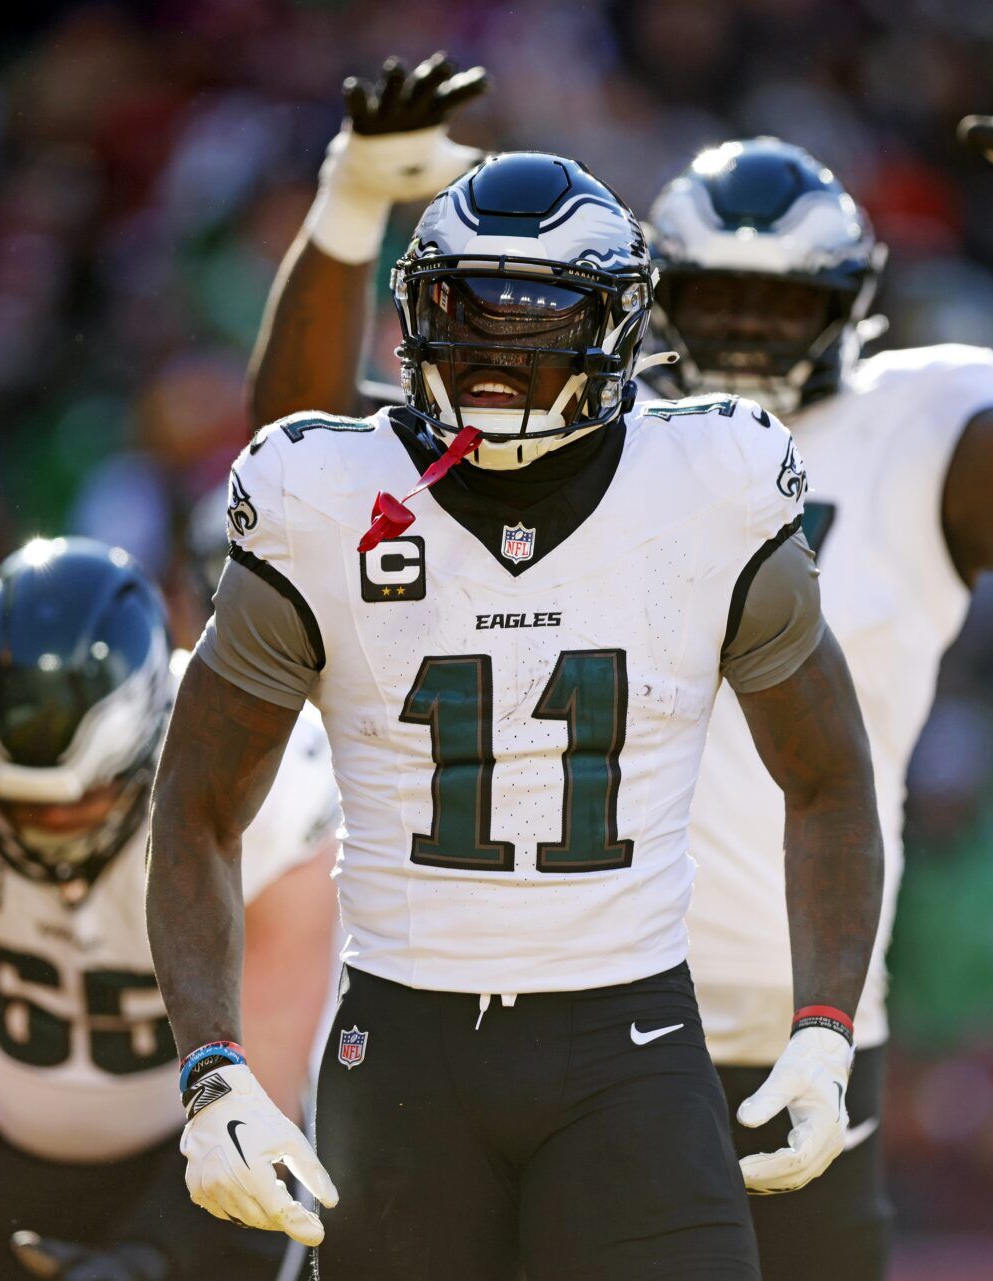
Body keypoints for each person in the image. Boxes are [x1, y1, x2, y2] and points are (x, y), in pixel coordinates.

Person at [244, 45, 993, 1280]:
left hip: (796, 1019)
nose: (746, 329)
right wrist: (348, 206)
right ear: (647, 298)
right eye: (717, 296)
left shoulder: (916, 431)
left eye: (783, 301)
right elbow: (306, 445)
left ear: (851, 305)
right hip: (550, 1012)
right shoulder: (571, 431)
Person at [147, 149, 884, 1281]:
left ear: (615, 328)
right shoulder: (321, 496)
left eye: (536, 321)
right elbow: (197, 807)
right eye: (467, 312)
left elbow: (828, 777)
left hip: (627, 1042)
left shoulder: (710, 485)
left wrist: (827, 1027)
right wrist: (209, 1069)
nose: (496, 351)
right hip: (400, 1049)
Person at [0, 537, 340, 1281]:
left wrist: (139, 1263)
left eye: (80, 805)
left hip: (210, 1154)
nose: (46, 840)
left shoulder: (268, 779)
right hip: (0, 1132)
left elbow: (265, 1088)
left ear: (153, 746)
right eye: (16, 808)